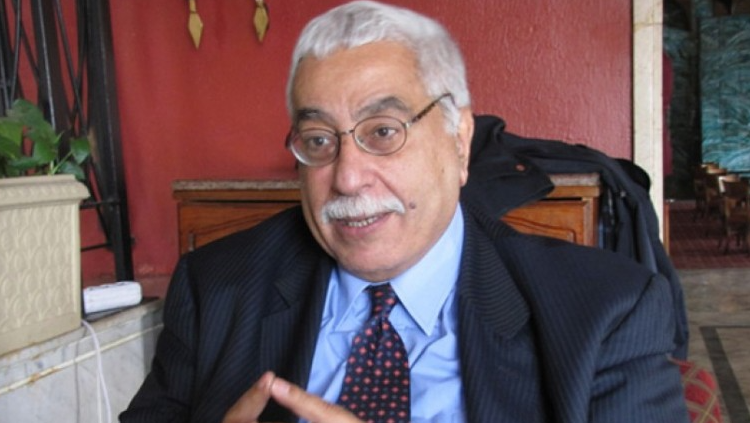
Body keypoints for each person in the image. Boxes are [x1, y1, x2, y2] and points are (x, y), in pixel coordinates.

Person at [120, 1, 690, 422]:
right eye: (318, 140)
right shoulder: (216, 288)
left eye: (383, 132)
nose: (347, 177)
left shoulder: (605, 312)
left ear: (459, 142)